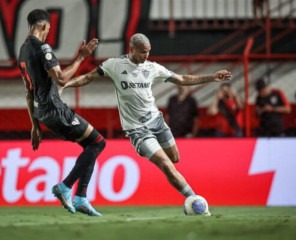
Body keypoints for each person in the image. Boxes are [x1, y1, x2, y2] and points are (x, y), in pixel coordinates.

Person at [59, 33, 232, 215]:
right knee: (166, 164)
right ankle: (195, 200)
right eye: (142, 52)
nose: (146, 56)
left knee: (174, 158)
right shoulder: (115, 65)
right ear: (131, 49)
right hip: (137, 130)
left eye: (148, 52)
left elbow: (181, 79)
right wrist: (66, 85)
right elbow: (88, 77)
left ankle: (167, 168)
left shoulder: (152, 67)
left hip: (157, 122)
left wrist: (212, 77)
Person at [18, 9, 105, 216]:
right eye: (48, 28)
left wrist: (34, 126)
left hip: (43, 113)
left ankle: (81, 197)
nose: (48, 32)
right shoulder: (43, 48)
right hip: (55, 110)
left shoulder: (22, 51)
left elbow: (28, 92)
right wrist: (81, 58)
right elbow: (62, 79)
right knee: (99, 142)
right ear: (43, 26)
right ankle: (66, 187)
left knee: (90, 146)